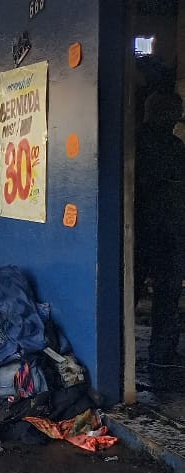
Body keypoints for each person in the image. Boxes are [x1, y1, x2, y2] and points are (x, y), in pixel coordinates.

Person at [135, 91, 185, 387]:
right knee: (142, 293)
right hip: (144, 230)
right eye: (171, 111)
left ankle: (163, 354)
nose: (174, 118)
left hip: (168, 231)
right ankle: (155, 353)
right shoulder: (137, 143)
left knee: (166, 295)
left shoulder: (174, 146)